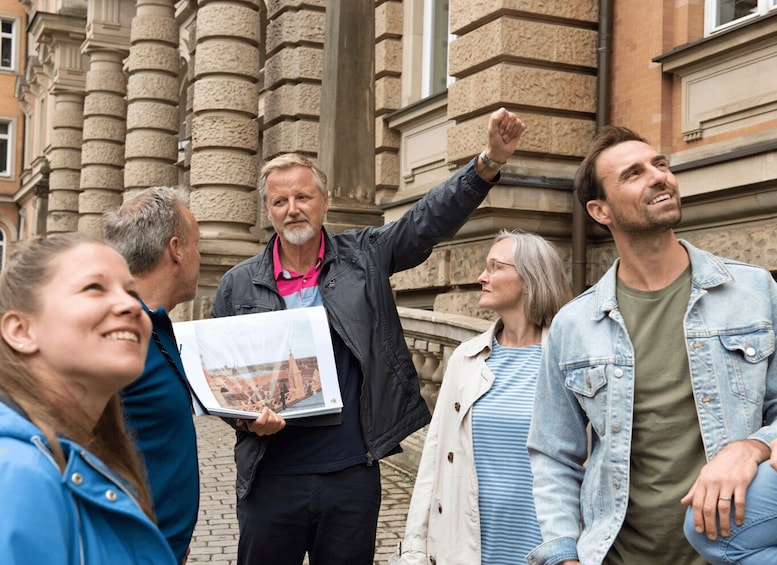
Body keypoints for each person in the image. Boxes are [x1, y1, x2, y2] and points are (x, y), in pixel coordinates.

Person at [212, 107, 527, 565]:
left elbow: (427, 220)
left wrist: (487, 164)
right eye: (280, 201)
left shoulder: (365, 256)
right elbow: (221, 375)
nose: (292, 209)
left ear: (324, 201)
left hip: (350, 472)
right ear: (267, 210)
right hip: (271, 473)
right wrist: (242, 419)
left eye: (303, 197)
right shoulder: (238, 285)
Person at [526, 125, 777, 565]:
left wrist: (750, 446)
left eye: (661, 164)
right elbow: (553, 453)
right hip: (618, 554)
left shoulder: (754, 291)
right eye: (634, 173)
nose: (659, 176)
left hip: (734, 551)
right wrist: (564, 555)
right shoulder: (575, 324)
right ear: (600, 210)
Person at [391, 230, 571, 564]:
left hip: (547, 548)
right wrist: (414, 548)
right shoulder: (467, 358)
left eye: (494, 267)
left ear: (531, 279)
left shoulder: (566, 358)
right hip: (469, 548)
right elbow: (435, 458)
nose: (481, 277)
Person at [0, 233, 177, 564]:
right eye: (94, 288)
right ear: (21, 331)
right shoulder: (17, 476)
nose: (130, 305)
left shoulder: (86, 457)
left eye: (131, 291)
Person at [104, 186, 202, 563]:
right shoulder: (116, 331)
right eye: (195, 243)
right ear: (176, 249)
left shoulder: (152, 325)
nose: (199, 255)